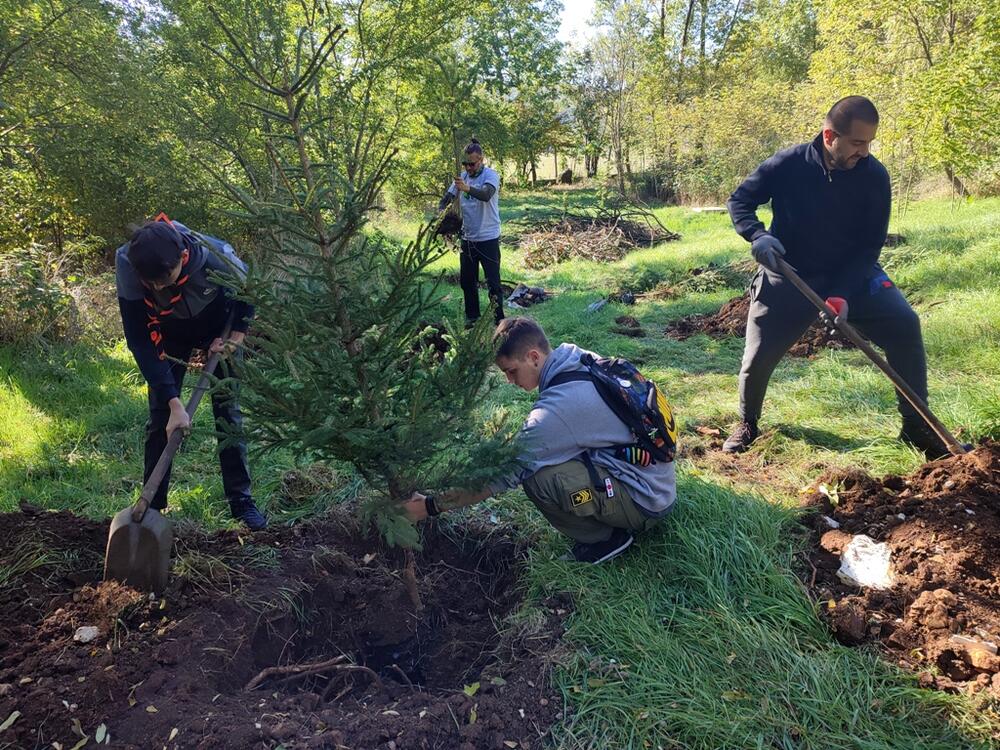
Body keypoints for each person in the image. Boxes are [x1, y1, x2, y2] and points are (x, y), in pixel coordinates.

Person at [723, 95, 948, 459]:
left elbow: (869, 245)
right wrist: (758, 235)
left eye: (870, 143)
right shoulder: (788, 164)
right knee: (758, 356)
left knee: (904, 323)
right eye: (858, 143)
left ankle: (917, 428)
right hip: (789, 272)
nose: (865, 151)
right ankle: (748, 422)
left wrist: (842, 293)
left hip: (852, 273)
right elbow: (740, 201)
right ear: (830, 136)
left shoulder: (874, 177)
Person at [403, 317, 676, 564]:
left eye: (511, 371)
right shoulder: (576, 358)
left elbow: (501, 473)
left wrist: (429, 506)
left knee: (537, 478)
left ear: (534, 357)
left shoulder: (557, 412)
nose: (509, 381)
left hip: (645, 501)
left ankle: (605, 540)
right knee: (546, 462)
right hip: (653, 477)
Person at [115, 214, 267, 530]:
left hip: (217, 324)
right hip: (167, 331)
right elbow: (139, 339)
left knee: (227, 411)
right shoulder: (129, 262)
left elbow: (250, 292)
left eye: (164, 280)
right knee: (161, 418)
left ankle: (241, 502)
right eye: (152, 283)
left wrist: (235, 338)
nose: (157, 287)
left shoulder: (216, 256)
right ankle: (152, 507)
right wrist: (174, 404)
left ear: (183, 257)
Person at [438, 138, 505, 326]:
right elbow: (446, 200)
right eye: (465, 164)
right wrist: (441, 216)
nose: (468, 168)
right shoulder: (462, 177)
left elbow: (485, 194)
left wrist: (466, 188)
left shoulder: (491, 176)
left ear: (481, 159)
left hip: (488, 237)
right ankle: (472, 318)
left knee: (493, 283)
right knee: (468, 282)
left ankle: (498, 321)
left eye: (472, 163)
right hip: (467, 238)